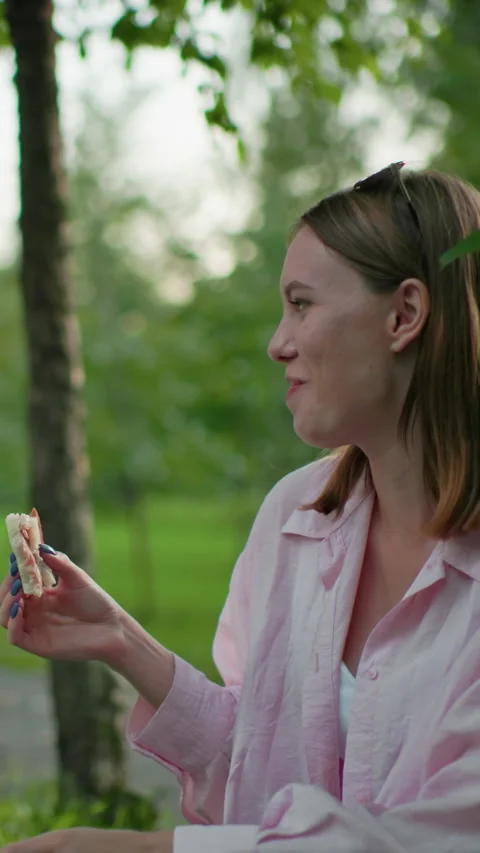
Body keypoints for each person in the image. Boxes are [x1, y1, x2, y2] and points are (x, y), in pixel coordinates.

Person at [2, 161, 480, 853]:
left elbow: (434, 839)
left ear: (404, 315)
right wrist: (119, 638)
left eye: (302, 304)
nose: (277, 343)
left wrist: (127, 849)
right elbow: (261, 773)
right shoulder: (295, 518)